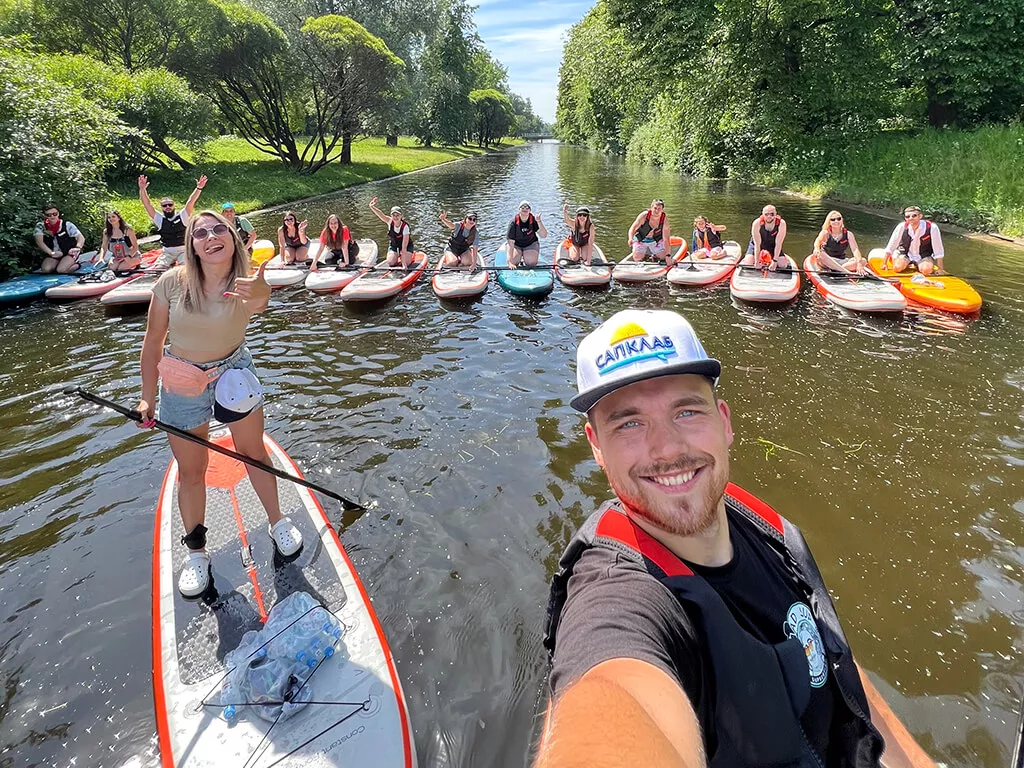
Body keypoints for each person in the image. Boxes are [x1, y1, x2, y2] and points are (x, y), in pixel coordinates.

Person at [535, 308, 939, 768]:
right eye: (628, 423)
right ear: (596, 447)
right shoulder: (617, 601)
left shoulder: (761, 528)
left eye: (686, 410)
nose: (666, 448)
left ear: (724, 422)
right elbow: (615, 695)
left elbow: (831, 660)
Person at [136, 210, 302, 598]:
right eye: (201, 233)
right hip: (181, 379)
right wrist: (146, 395)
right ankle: (197, 553)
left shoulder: (249, 285)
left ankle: (277, 522)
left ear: (233, 237)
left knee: (254, 453)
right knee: (192, 470)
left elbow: (259, 302)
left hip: (233, 373)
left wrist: (262, 292)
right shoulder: (171, 284)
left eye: (219, 229)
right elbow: (152, 342)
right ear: (192, 246)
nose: (211, 236)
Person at [138, 174, 206, 268]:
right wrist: (142, 189)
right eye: (164, 206)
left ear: (174, 206)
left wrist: (199, 188)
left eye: (170, 205)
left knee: (183, 268)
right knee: (158, 268)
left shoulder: (183, 215)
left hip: (183, 250)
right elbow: (147, 204)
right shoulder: (159, 219)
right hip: (167, 251)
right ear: (161, 208)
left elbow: (191, 201)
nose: (168, 207)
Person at [882, 206, 945, 276]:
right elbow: (892, 244)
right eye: (907, 217)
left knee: (927, 270)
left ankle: (921, 265)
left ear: (920, 216)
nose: (910, 218)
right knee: (897, 268)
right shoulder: (902, 227)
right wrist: (884, 263)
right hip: (906, 254)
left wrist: (940, 269)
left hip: (923, 255)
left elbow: (938, 250)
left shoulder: (932, 227)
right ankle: (897, 259)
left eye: (914, 216)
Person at [34, 204, 86, 273]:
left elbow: (81, 237)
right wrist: (51, 253)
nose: (52, 217)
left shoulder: (67, 225)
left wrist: (77, 247)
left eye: (54, 214)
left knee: (61, 270)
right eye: (49, 215)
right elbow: (39, 242)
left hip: (69, 253)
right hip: (53, 253)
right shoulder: (40, 226)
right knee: (46, 269)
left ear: (58, 214)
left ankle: (76, 265)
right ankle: (59, 264)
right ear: (45, 216)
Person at [369, 197, 414, 269]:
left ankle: (408, 255)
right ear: (391, 215)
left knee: (407, 263)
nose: (395, 217)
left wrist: (404, 264)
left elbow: (404, 247)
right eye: (393, 215)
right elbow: (381, 214)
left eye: (397, 215)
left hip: (406, 246)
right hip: (394, 245)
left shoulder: (405, 227)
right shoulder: (390, 221)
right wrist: (372, 206)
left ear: (401, 216)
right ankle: (396, 256)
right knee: (391, 263)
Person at [627, 199, 673, 266]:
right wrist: (630, 238)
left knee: (663, 256)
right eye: (655, 208)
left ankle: (654, 257)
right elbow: (632, 228)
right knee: (637, 258)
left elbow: (666, 239)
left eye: (659, 209)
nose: (656, 211)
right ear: (651, 208)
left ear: (662, 210)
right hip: (641, 240)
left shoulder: (664, 221)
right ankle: (645, 256)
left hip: (655, 241)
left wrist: (668, 256)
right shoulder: (644, 216)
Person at [506, 200, 548, 268]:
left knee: (531, 263)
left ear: (530, 210)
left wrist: (539, 221)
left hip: (530, 244)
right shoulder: (513, 222)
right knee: (514, 262)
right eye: (522, 207)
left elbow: (544, 235)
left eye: (527, 207)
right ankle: (518, 255)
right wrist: (510, 262)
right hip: (516, 245)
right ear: (519, 210)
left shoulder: (534, 220)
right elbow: (511, 243)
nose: (525, 209)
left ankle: (526, 256)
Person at [747, 204, 788, 271]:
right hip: (758, 244)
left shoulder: (781, 224)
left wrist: (775, 261)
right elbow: (757, 244)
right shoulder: (757, 223)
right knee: (748, 263)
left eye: (772, 214)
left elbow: (778, 244)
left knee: (782, 265)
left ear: (776, 214)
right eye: (766, 214)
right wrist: (757, 261)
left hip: (773, 245)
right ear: (763, 215)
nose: (769, 216)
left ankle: (773, 259)